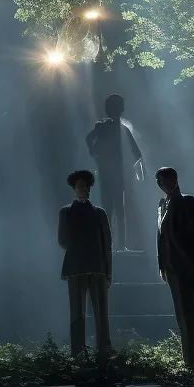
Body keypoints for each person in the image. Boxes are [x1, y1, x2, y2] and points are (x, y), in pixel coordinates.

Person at [154, 166, 194, 370]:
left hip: (185, 264)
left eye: (167, 179)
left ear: (175, 179)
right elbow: (160, 238)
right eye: (161, 181)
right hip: (170, 266)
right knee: (181, 314)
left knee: (187, 313)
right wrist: (162, 264)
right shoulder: (162, 205)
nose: (164, 184)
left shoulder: (187, 201)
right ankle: (190, 361)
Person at [58, 169, 113, 360]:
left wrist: (108, 271)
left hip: (97, 268)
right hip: (75, 268)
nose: (85, 190)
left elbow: (108, 243)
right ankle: (78, 354)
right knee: (76, 313)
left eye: (87, 186)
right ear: (74, 189)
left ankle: (103, 353)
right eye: (81, 186)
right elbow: (62, 240)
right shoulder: (66, 212)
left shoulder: (100, 213)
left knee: (101, 314)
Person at [84, 94, 143, 248]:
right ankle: (116, 244)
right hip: (116, 174)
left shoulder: (105, 127)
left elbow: (89, 140)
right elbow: (137, 154)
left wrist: (96, 155)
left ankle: (112, 244)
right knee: (115, 208)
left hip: (111, 174)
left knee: (110, 208)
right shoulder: (117, 128)